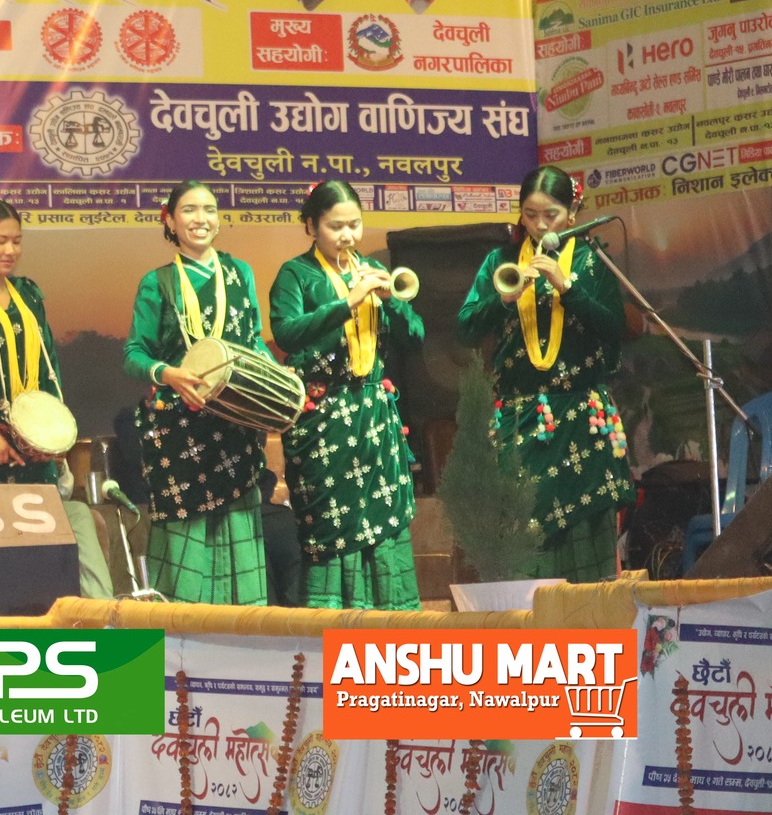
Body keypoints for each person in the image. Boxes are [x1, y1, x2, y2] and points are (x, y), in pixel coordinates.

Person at [457, 166, 633, 583]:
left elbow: (615, 329)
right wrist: (502, 300)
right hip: (519, 418)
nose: (539, 225)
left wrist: (567, 288)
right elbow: (465, 328)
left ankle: (587, 620)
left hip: (582, 420)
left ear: (572, 213)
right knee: (521, 530)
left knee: (583, 537)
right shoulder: (500, 261)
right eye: (530, 214)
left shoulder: (592, 260)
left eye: (550, 215)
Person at [0, 198, 112, 598]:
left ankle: (66, 620)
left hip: (30, 453)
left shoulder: (27, 294)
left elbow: (48, 366)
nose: (10, 250)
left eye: (17, 241)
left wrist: (53, 436)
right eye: (0, 241)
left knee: (40, 555)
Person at [268, 180, 423, 609]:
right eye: (335, 226)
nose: (348, 235)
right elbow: (287, 334)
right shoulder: (295, 274)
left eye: (354, 224)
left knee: (385, 526)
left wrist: (392, 301)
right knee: (331, 529)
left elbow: (415, 337)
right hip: (325, 425)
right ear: (311, 227)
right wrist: (347, 304)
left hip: (375, 422)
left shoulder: (371, 270)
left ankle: (390, 624)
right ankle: (333, 626)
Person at [122, 180, 270, 605]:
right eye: (189, 210)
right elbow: (134, 353)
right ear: (170, 220)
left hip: (235, 425)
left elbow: (253, 340)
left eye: (209, 209)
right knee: (185, 540)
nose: (200, 219)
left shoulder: (240, 273)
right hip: (180, 433)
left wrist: (277, 375)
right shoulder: (158, 282)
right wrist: (167, 373)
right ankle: (180, 634)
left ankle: (240, 630)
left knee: (237, 534)